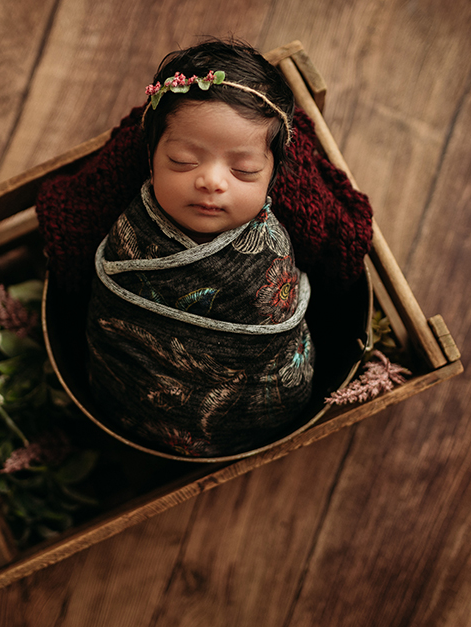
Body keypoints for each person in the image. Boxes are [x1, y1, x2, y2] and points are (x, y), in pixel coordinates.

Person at [83, 40, 317, 457]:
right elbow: (111, 326)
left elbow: (276, 351)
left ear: (272, 177)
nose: (212, 181)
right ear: (151, 160)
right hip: (131, 405)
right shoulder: (131, 232)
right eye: (183, 160)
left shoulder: (271, 248)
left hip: (246, 416)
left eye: (243, 170)